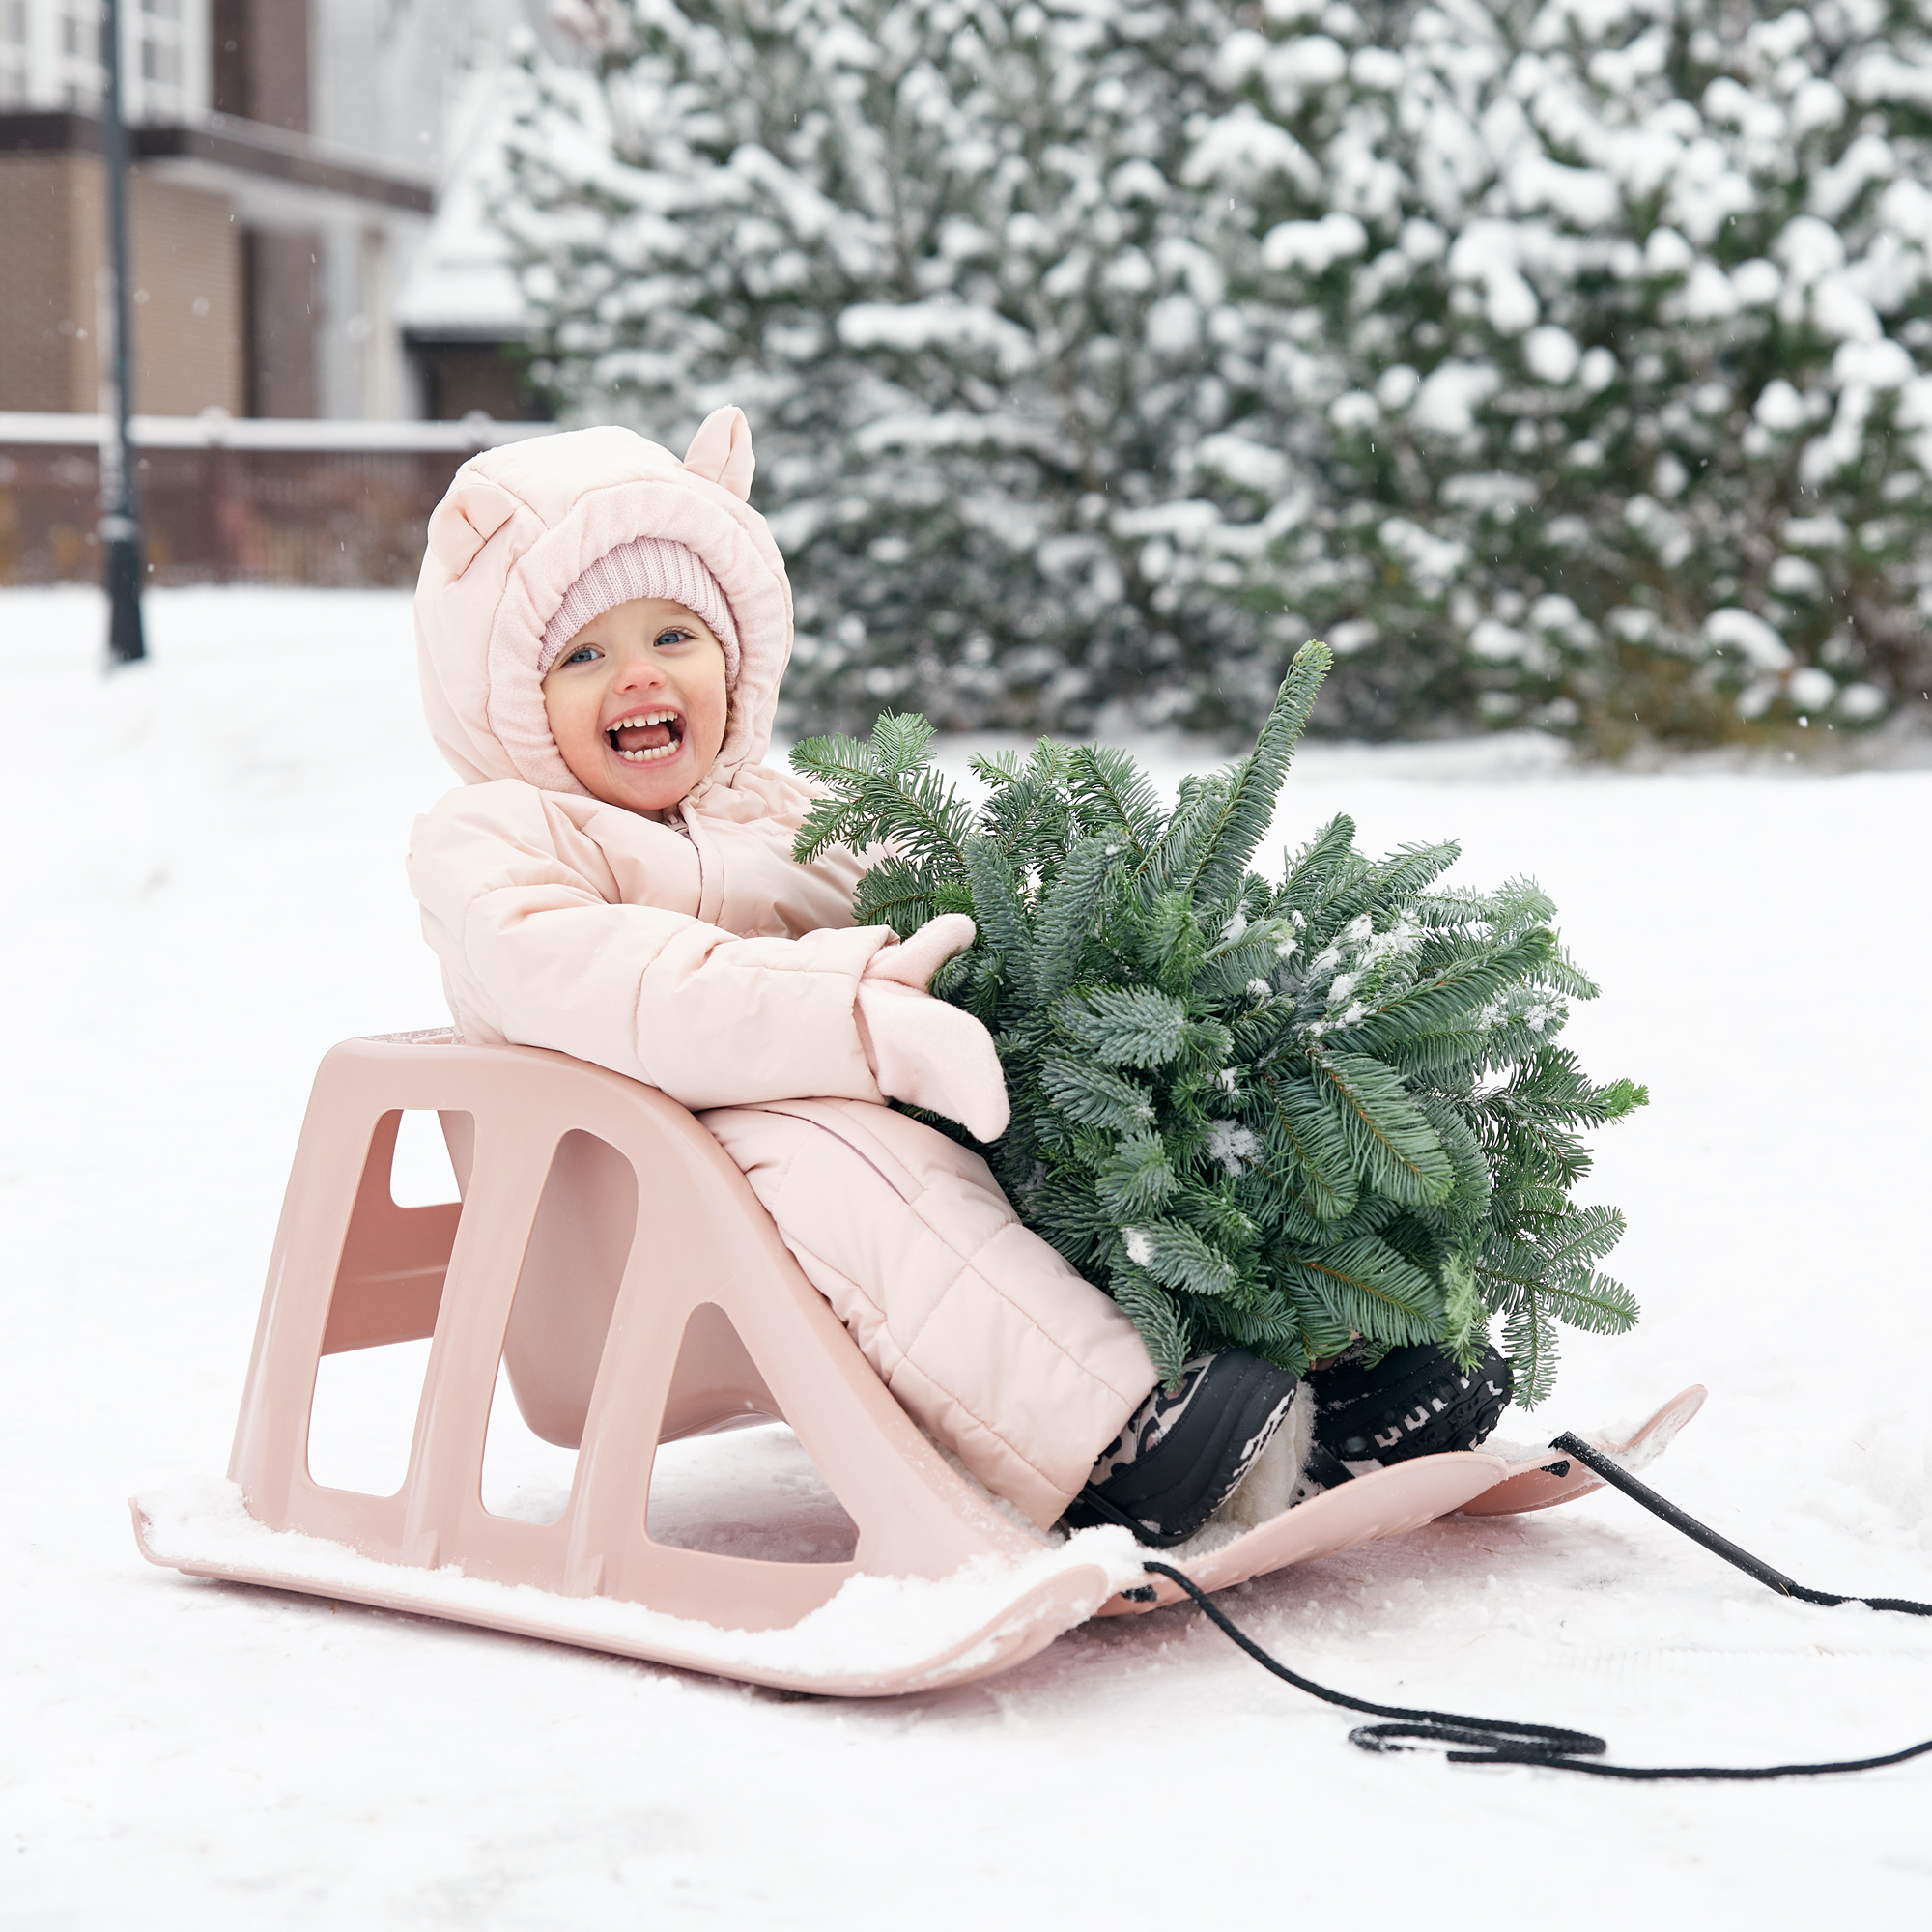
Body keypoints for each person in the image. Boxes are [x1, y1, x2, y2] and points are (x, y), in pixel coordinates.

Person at [407, 410, 1502, 1549]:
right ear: (507, 692)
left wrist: (1058, 952)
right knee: (851, 1151)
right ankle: (1114, 1432)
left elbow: (936, 900)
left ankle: (1329, 1355)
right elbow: (617, 983)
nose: (637, 676)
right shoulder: (493, 839)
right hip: (628, 1223)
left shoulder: (788, 811)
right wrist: (853, 1017)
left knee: (1081, 1106)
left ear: (733, 658)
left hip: (827, 1171)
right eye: (584, 654)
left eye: (673, 636)